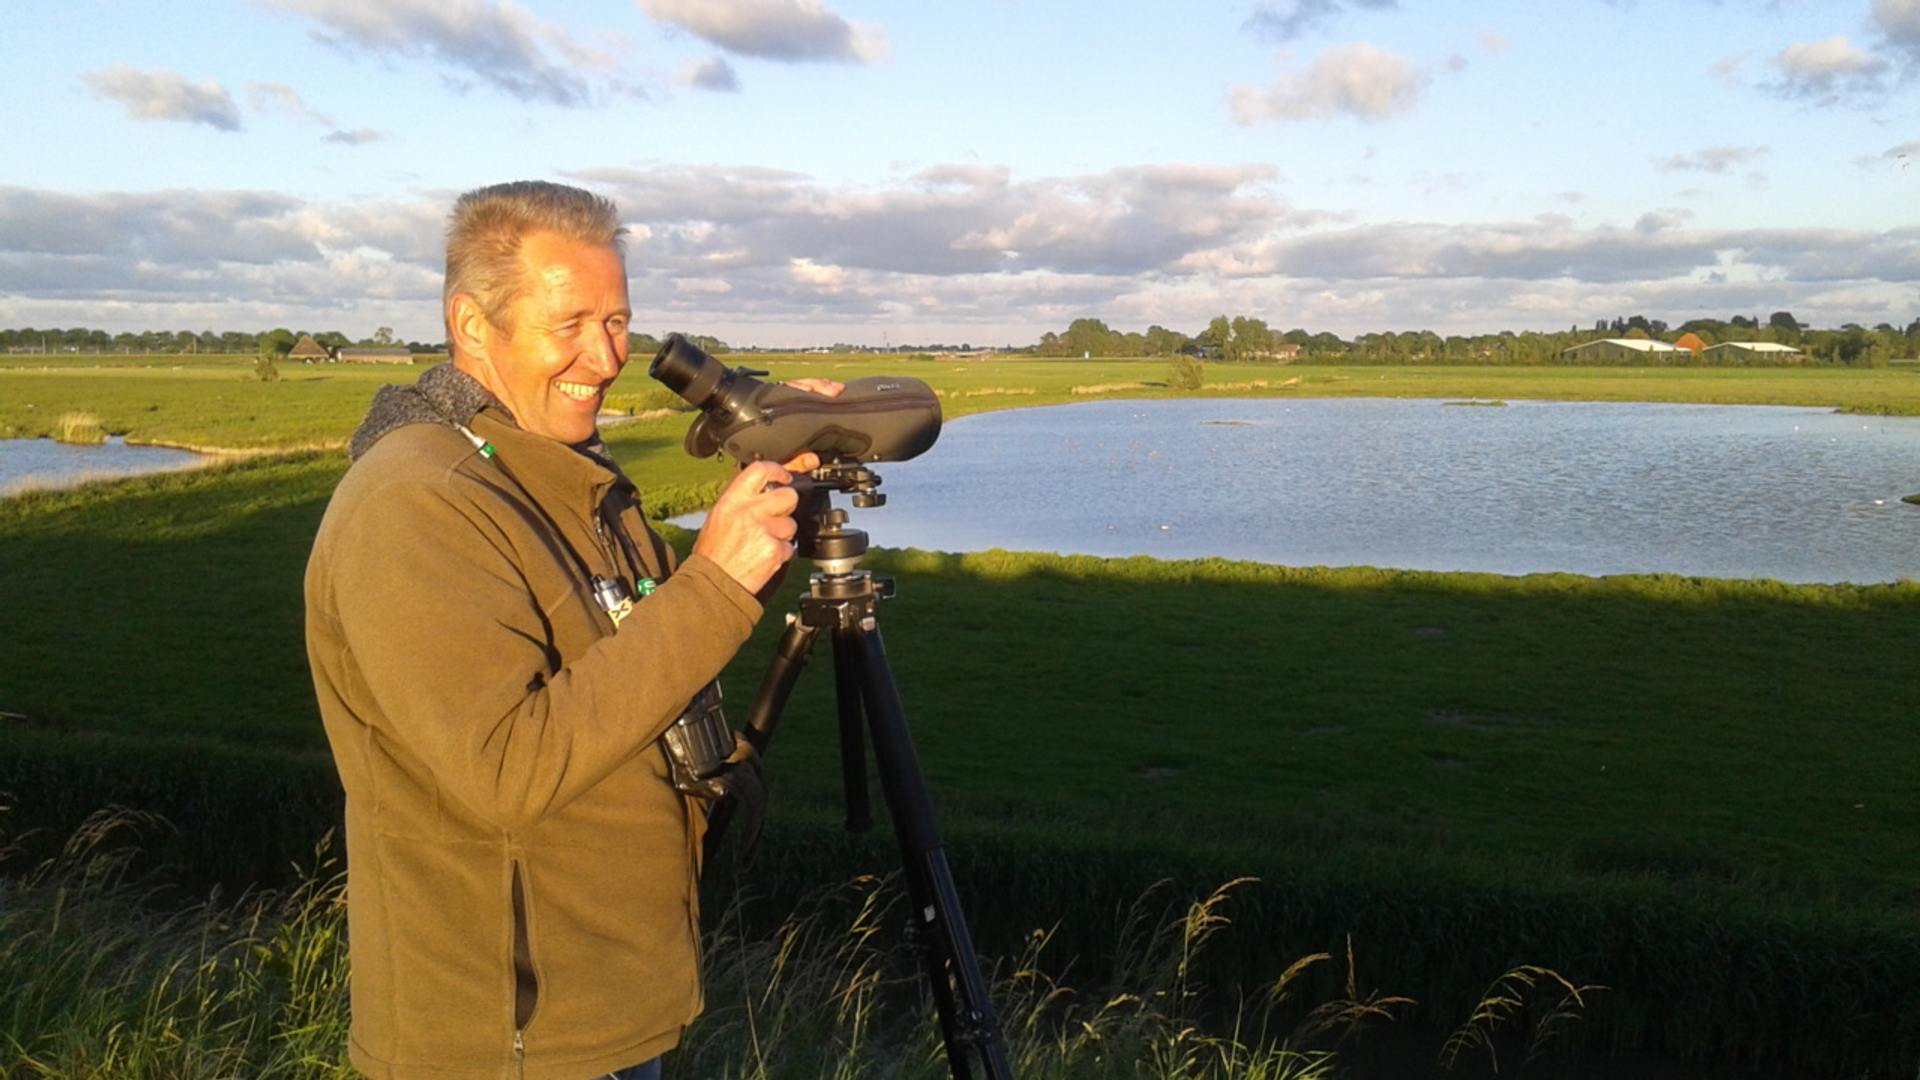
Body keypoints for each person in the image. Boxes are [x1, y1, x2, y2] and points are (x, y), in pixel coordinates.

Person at [305, 180, 838, 1080]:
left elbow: (634, 631)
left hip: (605, 1006)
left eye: (619, 320)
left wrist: (764, 503)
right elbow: (506, 770)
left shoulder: (557, 471)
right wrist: (715, 581)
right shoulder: (417, 503)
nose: (606, 353)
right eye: (571, 324)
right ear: (474, 326)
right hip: (506, 1037)